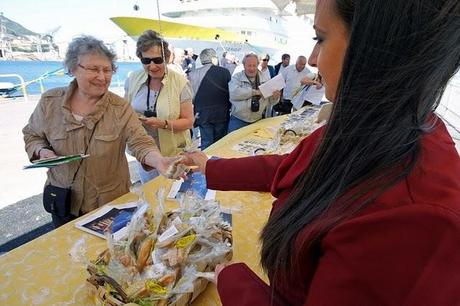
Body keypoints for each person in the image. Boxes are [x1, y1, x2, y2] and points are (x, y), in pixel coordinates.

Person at [185, 0, 460, 304]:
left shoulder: (406, 222)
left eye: (320, 38)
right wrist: (211, 168)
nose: (314, 58)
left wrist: (233, 281)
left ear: (372, 47)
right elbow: (297, 165)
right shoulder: (379, 123)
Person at [23, 35, 175, 228]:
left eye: (107, 70)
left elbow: (140, 142)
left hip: (109, 206)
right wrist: (41, 151)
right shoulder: (49, 102)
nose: (102, 77)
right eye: (94, 69)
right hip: (63, 201)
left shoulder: (120, 108)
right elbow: (32, 135)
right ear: (72, 68)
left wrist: (158, 160)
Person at [124, 30, 194, 183]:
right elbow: (125, 111)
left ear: (167, 58)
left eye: (157, 60)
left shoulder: (180, 82)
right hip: (145, 156)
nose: (152, 66)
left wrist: (163, 124)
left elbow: (189, 121)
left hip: (174, 153)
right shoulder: (133, 79)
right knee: (152, 194)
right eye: (146, 61)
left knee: (175, 195)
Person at [188, 48, 231, 149]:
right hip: (222, 113)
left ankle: (206, 163)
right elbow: (230, 93)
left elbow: (191, 96)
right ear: (213, 58)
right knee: (220, 143)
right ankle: (219, 163)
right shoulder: (225, 72)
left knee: (206, 143)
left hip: (202, 114)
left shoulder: (193, 74)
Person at [227, 53, 281, 132]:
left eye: (254, 65)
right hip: (238, 120)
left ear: (258, 65)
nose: (252, 69)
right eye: (249, 65)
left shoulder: (265, 79)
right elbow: (234, 93)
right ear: (244, 66)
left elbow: (270, 102)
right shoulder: (237, 77)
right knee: (233, 143)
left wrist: (275, 97)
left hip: (257, 120)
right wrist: (256, 92)